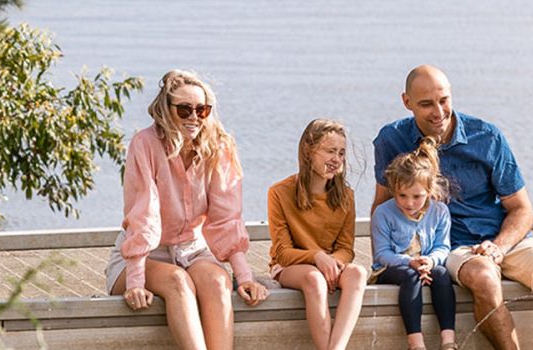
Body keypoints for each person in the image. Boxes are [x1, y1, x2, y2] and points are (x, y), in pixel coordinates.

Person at [372, 65, 533, 350]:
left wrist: (499, 246)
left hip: (503, 239)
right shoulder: (392, 139)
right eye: (426, 104)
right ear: (407, 102)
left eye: (444, 101)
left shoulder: (487, 137)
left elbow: (521, 209)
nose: (438, 112)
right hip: (451, 244)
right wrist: (393, 260)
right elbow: (382, 206)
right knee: (484, 277)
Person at [105, 69, 268, 350]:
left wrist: (244, 277)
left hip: (193, 250)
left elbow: (226, 217)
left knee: (218, 281)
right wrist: (135, 282)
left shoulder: (219, 147)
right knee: (178, 282)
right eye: (184, 109)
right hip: (141, 256)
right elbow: (143, 213)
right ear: (166, 110)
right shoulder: (144, 144)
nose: (194, 117)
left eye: (201, 110)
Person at [266, 119, 366, 350]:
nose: (336, 159)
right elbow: (282, 253)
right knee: (314, 279)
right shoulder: (279, 192)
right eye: (330, 151)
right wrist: (317, 257)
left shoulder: (346, 196)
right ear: (309, 151)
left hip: (330, 265)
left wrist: (332, 262)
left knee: (357, 273)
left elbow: (346, 248)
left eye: (341, 153)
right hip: (291, 267)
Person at [372, 136, 457, 350]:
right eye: (402, 195)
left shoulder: (440, 211)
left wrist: (429, 260)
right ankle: (416, 344)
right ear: (393, 190)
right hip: (390, 268)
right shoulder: (383, 213)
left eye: (417, 196)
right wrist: (409, 262)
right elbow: (382, 253)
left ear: (429, 191)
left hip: (425, 265)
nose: (409, 203)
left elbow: (443, 246)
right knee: (410, 276)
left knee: (441, 273)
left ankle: (448, 340)